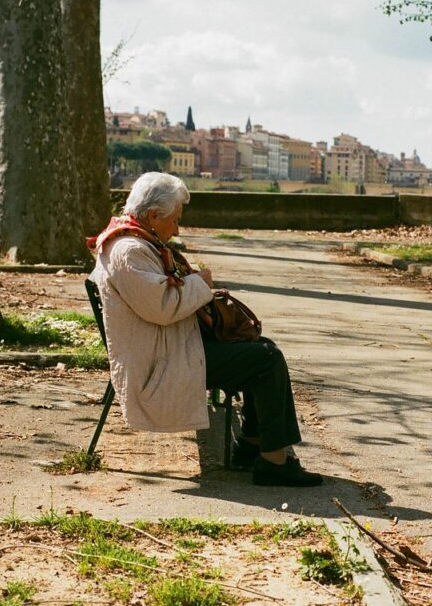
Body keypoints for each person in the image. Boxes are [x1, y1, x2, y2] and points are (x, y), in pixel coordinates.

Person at [90, 171, 323, 488]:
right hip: (161, 362)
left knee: (261, 348)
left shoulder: (130, 240)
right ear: (153, 215)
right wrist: (202, 283)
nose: (177, 228)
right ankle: (272, 460)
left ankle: (255, 446)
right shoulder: (130, 251)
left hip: (166, 345)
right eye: (174, 220)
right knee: (266, 360)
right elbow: (162, 307)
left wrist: (195, 285)